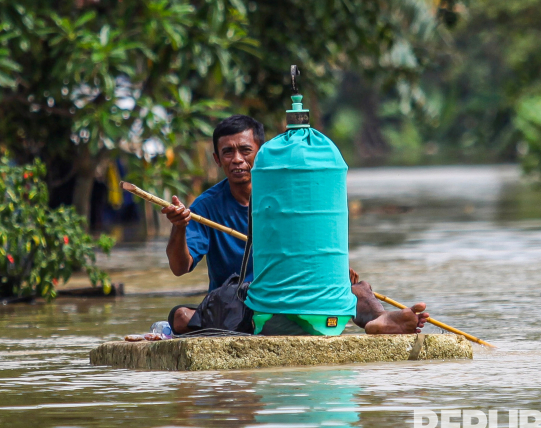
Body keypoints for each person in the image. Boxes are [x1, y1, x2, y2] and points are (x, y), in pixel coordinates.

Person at [162, 115, 428, 335]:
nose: (237, 159)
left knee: (358, 288)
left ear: (261, 153)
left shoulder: (286, 196)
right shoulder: (207, 206)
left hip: (294, 290)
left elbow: (310, 245)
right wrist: (179, 226)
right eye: (227, 152)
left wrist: (329, 269)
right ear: (217, 160)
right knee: (181, 316)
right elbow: (179, 267)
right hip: (242, 300)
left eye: (245, 150)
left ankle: (380, 320)